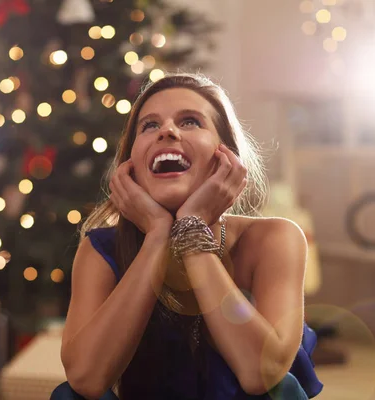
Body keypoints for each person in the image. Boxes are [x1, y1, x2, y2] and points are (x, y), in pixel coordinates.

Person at [53, 73, 323, 399]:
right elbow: (85, 379)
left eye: (191, 121)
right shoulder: (100, 249)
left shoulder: (274, 238)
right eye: (149, 126)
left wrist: (191, 230)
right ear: (131, 165)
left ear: (227, 159)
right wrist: (156, 236)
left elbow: (261, 375)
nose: (167, 130)